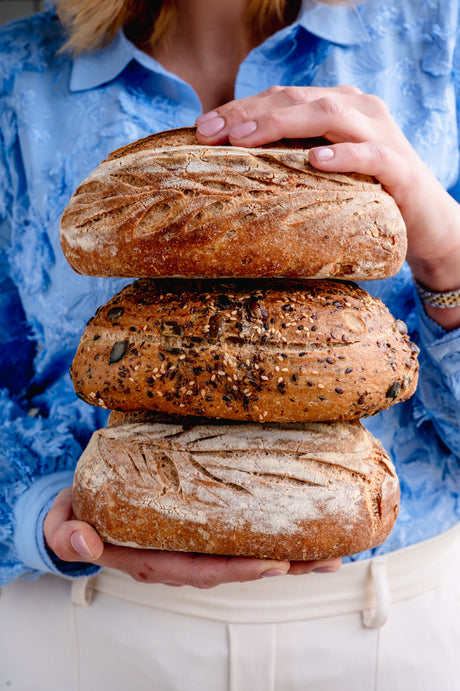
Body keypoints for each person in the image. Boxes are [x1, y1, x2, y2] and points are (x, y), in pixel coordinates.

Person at [0, 0, 460, 688]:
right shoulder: (17, 77)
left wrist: (449, 257)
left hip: (390, 630)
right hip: (88, 625)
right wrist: (36, 511)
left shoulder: (438, 37)